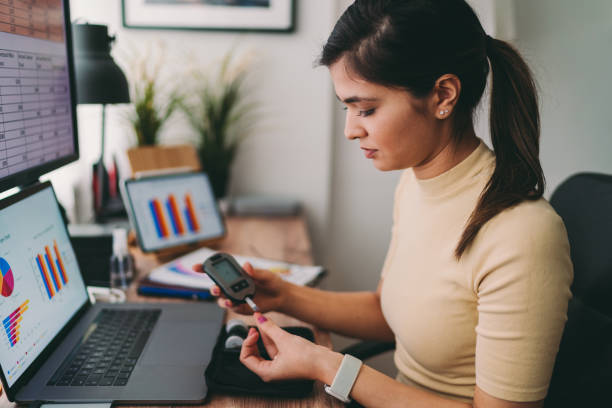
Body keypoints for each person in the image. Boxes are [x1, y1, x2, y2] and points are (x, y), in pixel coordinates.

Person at [194, 0, 573, 406]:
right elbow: (388, 313)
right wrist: (282, 295)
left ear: (443, 95)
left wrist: (328, 367)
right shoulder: (415, 183)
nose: (350, 130)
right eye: (347, 108)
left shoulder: (523, 236)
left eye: (366, 109)